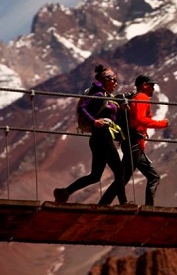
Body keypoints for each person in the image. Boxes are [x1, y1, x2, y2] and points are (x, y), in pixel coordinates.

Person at [54, 65, 128, 205]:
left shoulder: (106, 96)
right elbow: (82, 108)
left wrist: (121, 107)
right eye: (114, 80)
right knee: (120, 171)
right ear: (106, 80)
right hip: (102, 137)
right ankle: (123, 204)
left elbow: (111, 116)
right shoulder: (99, 94)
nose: (116, 83)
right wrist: (94, 121)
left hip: (98, 138)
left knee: (95, 176)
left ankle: (64, 193)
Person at [100, 74, 169, 206]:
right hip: (134, 144)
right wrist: (163, 123)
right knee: (123, 178)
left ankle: (148, 208)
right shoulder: (142, 98)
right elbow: (140, 119)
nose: (153, 88)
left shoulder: (135, 98)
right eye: (152, 85)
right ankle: (102, 204)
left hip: (134, 145)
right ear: (144, 85)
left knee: (153, 177)